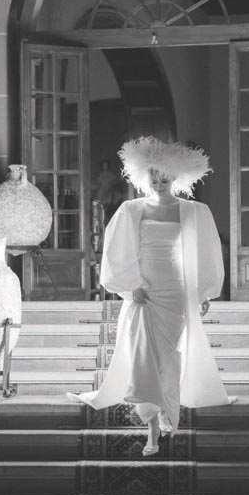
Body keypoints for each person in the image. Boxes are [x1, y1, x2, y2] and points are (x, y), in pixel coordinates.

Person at [68, 136, 236, 456]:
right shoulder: (132, 210)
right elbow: (116, 253)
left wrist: (202, 292)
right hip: (144, 291)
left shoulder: (194, 211)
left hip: (176, 292)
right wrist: (130, 286)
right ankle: (152, 429)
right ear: (146, 177)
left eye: (165, 178)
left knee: (171, 358)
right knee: (145, 359)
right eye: (154, 178)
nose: (159, 183)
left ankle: (170, 413)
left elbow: (206, 253)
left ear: (176, 177)